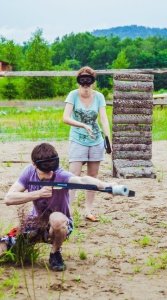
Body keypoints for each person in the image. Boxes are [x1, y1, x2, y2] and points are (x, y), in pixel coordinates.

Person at [0, 143, 117, 271]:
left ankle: (55, 253)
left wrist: (107, 185)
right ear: (35, 164)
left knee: (57, 219)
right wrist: (37, 194)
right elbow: (9, 198)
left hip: (59, 225)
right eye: (45, 166)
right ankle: (20, 250)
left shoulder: (60, 175)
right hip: (35, 223)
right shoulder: (29, 172)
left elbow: (83, 181)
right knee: (2, 246)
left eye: (53, 165)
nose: (50, 171)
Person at [63, 66, 111, 222]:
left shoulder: (99, 97)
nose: (85, 85)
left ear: (92, 82)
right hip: (77, 138)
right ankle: (67, 211)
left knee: (92, 176)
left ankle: (89, 210)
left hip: (95, 139)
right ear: (79, 81)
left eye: (88, 81)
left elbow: (103, 118)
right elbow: (65, 117)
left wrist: (108, 138)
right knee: (73, 175)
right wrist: (83, 125)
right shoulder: (73, 95)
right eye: (82, 81)